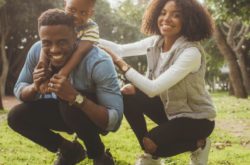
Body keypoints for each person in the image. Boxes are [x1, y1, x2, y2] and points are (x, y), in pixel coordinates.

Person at [99, 0, 216, 164]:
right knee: (127, 93)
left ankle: (198, 144)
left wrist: (121, 64)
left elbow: (153, 88)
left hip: (196, 120)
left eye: (176, 15)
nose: (166, 18)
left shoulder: (191, 52)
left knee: (154, 141)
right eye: (163, 13)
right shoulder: (155, 42)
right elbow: (120, 49)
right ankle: (150, 152)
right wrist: (86, 36)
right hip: (171, 112)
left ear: (189, 20)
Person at [7, 9, 123, 165]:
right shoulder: (36, 51)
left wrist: (76, 97)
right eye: (47, 43)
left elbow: (113, 122)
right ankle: (70, 151)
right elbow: (19, 89)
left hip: (91, 116)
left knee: (69, 104)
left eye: (62, 41)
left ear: (75, 37)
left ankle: (99, 156)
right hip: (61, 112)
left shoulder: (99, 61)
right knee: (16, 116)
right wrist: (35, 86)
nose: (54, 49)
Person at [38, 0, 99, 94]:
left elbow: (80, 52)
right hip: (60, 59)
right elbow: (47, 43)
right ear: (65, 5)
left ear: (91, 13)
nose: (76, 16)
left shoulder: (91, 28)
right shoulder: (59, 20)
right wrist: (42, 68)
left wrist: (61, 76)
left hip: (79, 65)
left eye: (83, 12)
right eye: (72, 10)